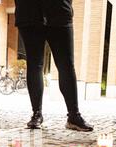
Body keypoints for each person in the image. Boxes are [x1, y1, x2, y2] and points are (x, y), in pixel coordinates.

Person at [15, 0, 94, 131]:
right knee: (35, 65)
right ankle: (37, 114)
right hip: (29, 13)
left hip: (60, 12)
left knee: (66, 66)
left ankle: (74, 116)